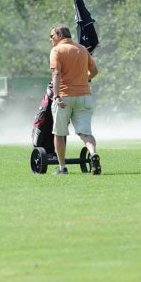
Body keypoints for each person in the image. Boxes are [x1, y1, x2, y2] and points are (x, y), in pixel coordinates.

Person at [49, 24, 100, 175]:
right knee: (85, 133)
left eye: (52, 36)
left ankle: (62, 167)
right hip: (84, 96)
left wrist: (56, 95)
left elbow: (56, 74)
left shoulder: (56, 50)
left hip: (64, 97)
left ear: (59, 36)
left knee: (59, 133)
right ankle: (93, 154)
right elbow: (95, 71)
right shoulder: (83, 49)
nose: (51, 40)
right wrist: (85, 79)